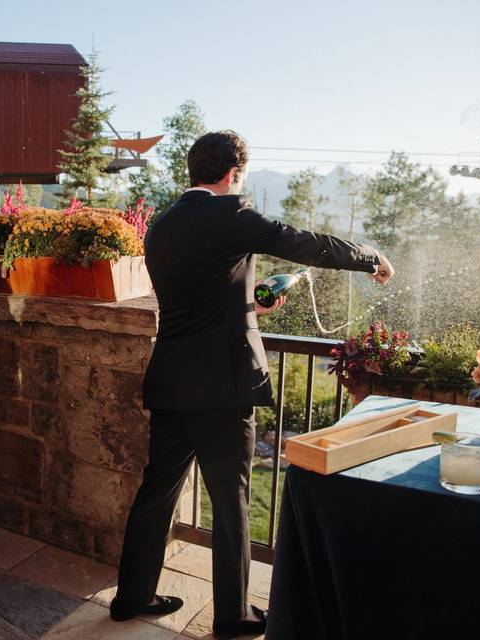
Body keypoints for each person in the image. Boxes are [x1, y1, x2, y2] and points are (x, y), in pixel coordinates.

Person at [109, 130, 394, 639]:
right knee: (232, 499)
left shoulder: (161, 224)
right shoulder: (233, 215)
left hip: (172, 375)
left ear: (194, 170)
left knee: (156, 490)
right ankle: (232, 615)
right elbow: (307, 244)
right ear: (233, 173)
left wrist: (250, 306)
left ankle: (131, 596)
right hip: (222, 386)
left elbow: (196, 294)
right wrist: (368, 255)